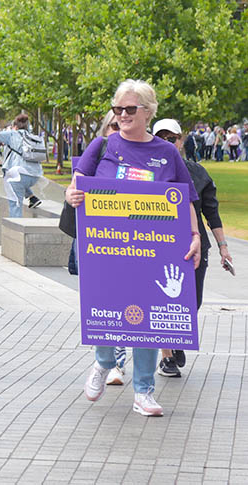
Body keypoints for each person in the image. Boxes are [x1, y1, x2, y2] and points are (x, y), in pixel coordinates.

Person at [68, 80, 200, 417]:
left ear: (148, 112)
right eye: (118, 109)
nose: (123, 115)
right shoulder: (102, 146)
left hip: (152, 250)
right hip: (107, 249)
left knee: (148, 319)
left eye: (130, 109)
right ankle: (103, 363)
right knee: (106, 307)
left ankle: (144, 391)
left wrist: (195, 235)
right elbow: (77, 185)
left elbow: (185, 198)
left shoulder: (167, 153)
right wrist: (73, 195)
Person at [152, 118, 234, 378]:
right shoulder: (144, 173)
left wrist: (223, 248)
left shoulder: (197, 173)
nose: (167, 142)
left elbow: (211, 212)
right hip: (155, 248)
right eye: (161, 137)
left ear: (181, 140)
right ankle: (166, 357)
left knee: (192, 302)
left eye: (172, 138)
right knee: (161, 301)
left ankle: (176, 338)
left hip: (194, 248)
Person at [0, 113, 44, 217]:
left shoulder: (12, 134)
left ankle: (15, 229)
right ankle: (31, 197)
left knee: (15, 204)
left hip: (19, 174)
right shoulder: (32, 136)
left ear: (15, 127)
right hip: (35, 175)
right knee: (18, 180)